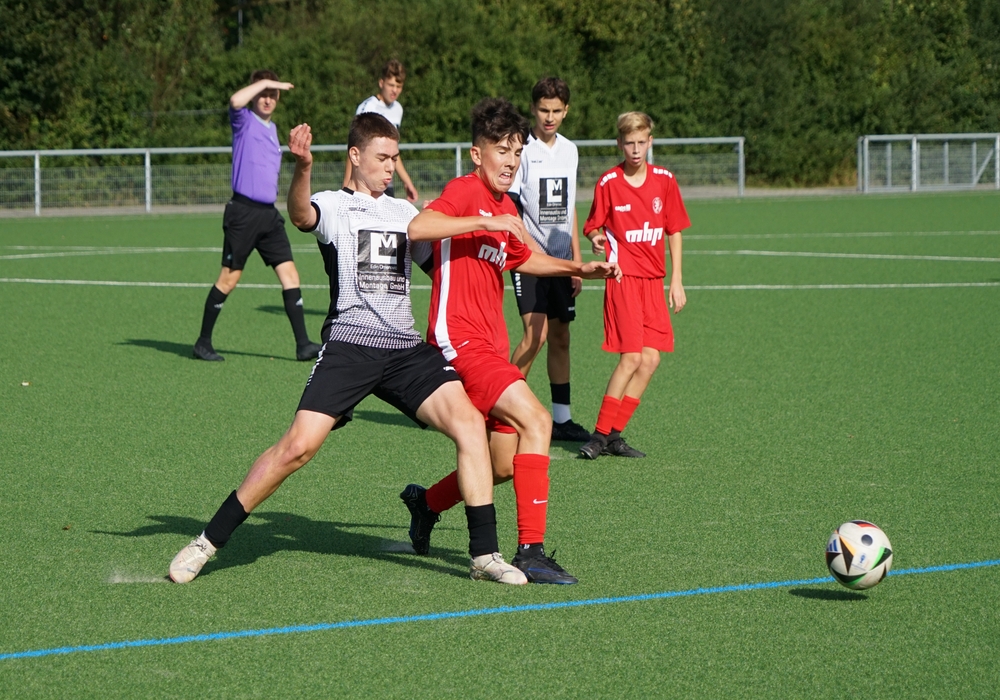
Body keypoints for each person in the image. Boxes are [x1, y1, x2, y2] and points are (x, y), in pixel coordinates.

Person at [169, 112, 528, 586]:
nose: (390, 166)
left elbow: (445, 270)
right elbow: (301, 216)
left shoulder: (406, 214)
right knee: (298, 448)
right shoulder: (334, 204)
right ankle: (206, 542)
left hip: (404, 351)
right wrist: (302, 167)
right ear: (355, 156)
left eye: (395, 157)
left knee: (468, 426)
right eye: (382, 157)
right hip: (350, 346)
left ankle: (484, 555)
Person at [398, 97, 621, 585]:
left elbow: (524, 259)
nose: (511, 161)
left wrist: (579, 267)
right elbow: (418, 227)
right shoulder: (464, 191)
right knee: (538, 420)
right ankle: (530, 551)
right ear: (477, 154)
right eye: (501, 150)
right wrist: (484, 221)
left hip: (491, 346)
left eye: (517, 152)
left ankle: (427, 503)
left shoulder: (505, 206)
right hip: (459, 343)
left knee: (500, 465)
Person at [578, 112, 690, 460]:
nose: (636, 149)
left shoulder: (665, 181)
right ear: (620, 144)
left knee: (651, 359)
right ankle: (599, 436)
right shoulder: (609, 182)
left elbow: (674, 230)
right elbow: (592, 225)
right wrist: (596, 239)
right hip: (622, 280)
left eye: (642, 142)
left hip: (653, 282)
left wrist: (676, 280)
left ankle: (614, 435)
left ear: (650, 142)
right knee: (631, 357)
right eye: (629, 143)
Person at [193, 70, 321, 363]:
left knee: (290, 274)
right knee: (229, 279)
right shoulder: (244, 120)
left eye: (273, 95)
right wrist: (265, 83)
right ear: (255, 93)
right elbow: (235, 101)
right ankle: (202, 343)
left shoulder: (273, 129)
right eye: (263, 93)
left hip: (268, 215)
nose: (267, 99)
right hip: (243, 213)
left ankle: (303, 345)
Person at [507, 77, 590, 442]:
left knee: (560, 337)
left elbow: (569, 206)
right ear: (533, 109)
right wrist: (531, 251)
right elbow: (511, 208)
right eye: (544, 110)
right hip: (529, 260)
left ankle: (562, 419)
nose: (550, 117)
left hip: (561, 261)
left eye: (556, 110)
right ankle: (500, 411)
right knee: (535, 336)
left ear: (566, 111)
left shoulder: (570, 151)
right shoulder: (522, 150)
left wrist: (576, 262)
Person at [343, 60, 418, 202]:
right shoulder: (369, 107)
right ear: (381, 83)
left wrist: (407, 181)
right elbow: (354, 147)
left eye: (398, 86)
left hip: (386, 183)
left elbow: (392, 151)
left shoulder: (398, 109)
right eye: (391, 85)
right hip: (366, 183)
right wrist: (347, 187)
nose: (395, 90)